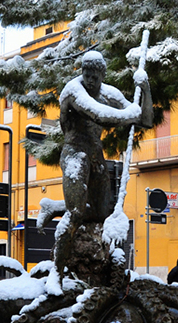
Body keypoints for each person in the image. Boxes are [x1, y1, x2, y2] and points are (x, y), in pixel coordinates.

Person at [58, 50, 153, 226]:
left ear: (102, 76)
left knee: (101, 212)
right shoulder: (73, 91)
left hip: (96, 154)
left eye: (95, 77)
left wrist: (146, 89)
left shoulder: (109, 95)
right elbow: (98, 115)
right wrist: (130, 113)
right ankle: (63, 250)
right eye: (87, 76)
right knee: (76, 212)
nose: (90, 81)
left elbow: (145, 121)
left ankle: (55, 207)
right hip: (75, 153)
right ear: (82, 74)